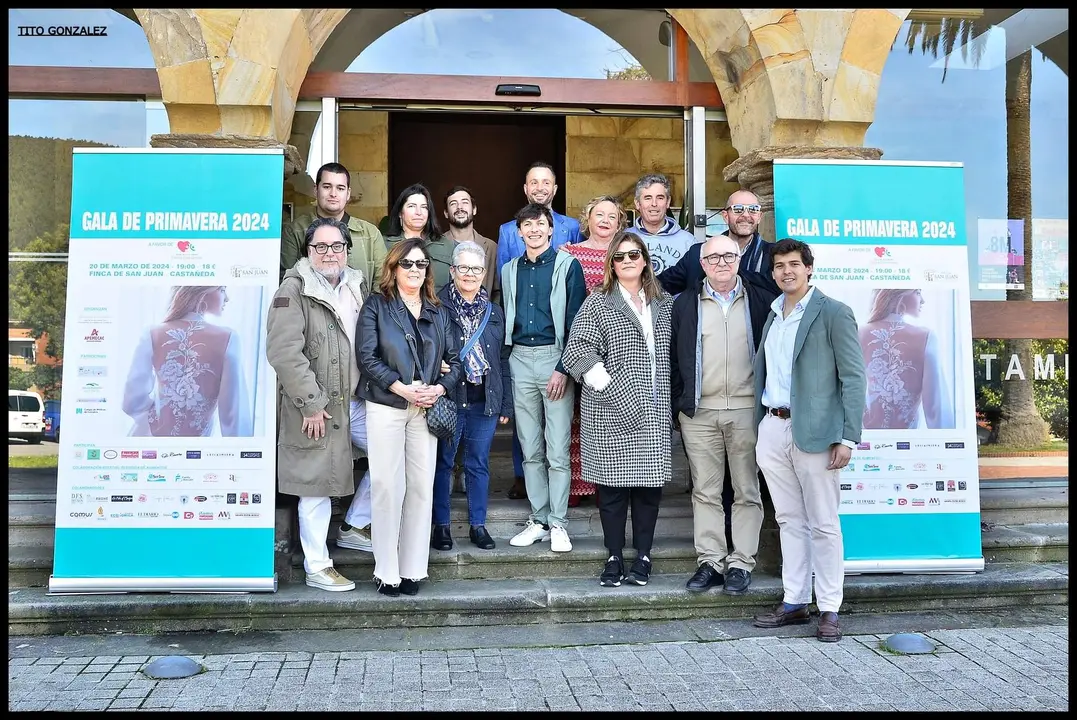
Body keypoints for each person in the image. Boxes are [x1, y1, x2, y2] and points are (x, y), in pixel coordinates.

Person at [751, 238, 866, 643]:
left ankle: (830, 607)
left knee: (824, 522)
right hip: (772, 427)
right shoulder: (772, 315)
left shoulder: (833, 312)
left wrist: (848, 436)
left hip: (817, 432)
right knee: (788, 520)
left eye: (794, 264)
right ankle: (795, 600)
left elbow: (853, 378)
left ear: (809, 268)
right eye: (779, 265)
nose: (786, 271)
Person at [561, 232, 673, 587]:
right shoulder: (598, 302)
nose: (627, 261)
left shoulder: (665, 302)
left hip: (654, 410)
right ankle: (613, 555)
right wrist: (612, 388)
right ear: (612, 263)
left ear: (645, 260)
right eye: (620, 256)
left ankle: (643, 556)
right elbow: (577, 349)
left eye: (633, 254)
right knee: (611, 491)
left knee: (648, 490)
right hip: (610, 409)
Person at [265, 217, 369, 592]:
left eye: (336, 246)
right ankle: (317, 566)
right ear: (308, 252)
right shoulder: (293, 290)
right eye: (320, 247)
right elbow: (283, 352)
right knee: (314, 485)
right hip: (317, 406)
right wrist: (310, 403)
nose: (329, 253)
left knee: (399, 454)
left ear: (346, 249)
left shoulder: (356, 285)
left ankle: (355, 525)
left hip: (357, 401)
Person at [671, 234, 777, 598]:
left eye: (728, 256)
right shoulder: (684, 303)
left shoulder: (762, 301)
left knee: (747, 489)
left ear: (739, 260)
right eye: (713, 257)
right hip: (700, 413)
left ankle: (741, 563)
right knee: (706, 491)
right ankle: (711, 560)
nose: (721, 263)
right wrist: (679, 406)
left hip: (748, 410)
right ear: (702, 264)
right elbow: (673, 360)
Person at [356, 238, 462, 596]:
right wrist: (401, 388)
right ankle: (386, 571)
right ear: (393, 268)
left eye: (421, 264)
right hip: (388, 402)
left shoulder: (438, 309)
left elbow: (456, 360)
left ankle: (413, 568)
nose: (414, 270)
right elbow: (366, 358)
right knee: (387, 486)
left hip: (427, 405)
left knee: (419, 487)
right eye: (407, 264)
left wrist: (441, 388)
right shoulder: (377, 306)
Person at [501, 203, 587, 553]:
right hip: (520, 358)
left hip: (555, 358)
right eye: (527, 225)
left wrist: (564, 368)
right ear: (518, 232)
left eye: (540, 224)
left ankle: (559, 523)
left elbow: (576, 319)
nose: (534, 230)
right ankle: (538, 519)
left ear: (551, 230)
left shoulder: (568, 265)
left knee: (557, 446)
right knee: (529, 446)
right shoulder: (508, 270)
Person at [431, 241, 513, 551]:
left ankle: (478, 526)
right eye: (463, 267)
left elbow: (502, 359)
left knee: (478, 464)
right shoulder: (436, 306)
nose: (469, 274)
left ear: (484, 273)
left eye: (476, 268)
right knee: (444, 463)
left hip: (484, 399)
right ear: (452, 271)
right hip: (450, 398)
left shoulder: (494, 312)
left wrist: (505, 402)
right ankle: (442, 526)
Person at [559, 195, 626, 508]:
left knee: (608, 418)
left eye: (611, 216)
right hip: (579, 346)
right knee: (575, 417)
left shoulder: (627, 254)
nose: (605, 221)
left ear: (619, 222)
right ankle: (575, 487)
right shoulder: (568, 253)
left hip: (617, 349)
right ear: (587, 219)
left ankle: (607, 484)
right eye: (599, 214)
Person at [123, 285, 252, 437]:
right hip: (196, 451)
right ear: (201, 292)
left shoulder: (152, 333)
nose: (227, 298)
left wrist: (161, 416)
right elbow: (233, 416)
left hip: (147, 441)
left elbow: (131, 401)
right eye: (222, 290)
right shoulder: (228, 338)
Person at [279, 161, 387, 285]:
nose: (333, 194)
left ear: (348, 194)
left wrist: (368, 305)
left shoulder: (370, 234)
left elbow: (382, 281)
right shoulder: (295, 230)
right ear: (316, 190)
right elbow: (286, 279)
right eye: (327, 187)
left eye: (340, 188)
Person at [860, 289, 954, 430]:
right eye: (917, 292)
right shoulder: (925, 336)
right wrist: (947, 445)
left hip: (865, 440)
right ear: (899, 294)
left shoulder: (859, 332)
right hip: (908, 441)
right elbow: (936, 405)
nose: (922, 300)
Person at [658, 189, 778, 297]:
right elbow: (660, 287)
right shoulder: (698, 253)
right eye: (738, 209)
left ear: (759, 217)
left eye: (753, 210)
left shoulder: (773, 256)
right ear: (725, 216)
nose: (746, 215)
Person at [630, 172, 699, 275]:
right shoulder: (624, 238)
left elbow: (694, 282)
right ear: (637, 203)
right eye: (648, 198)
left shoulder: (688, 242)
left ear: (668, 202)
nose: (654, 204)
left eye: (660, 198)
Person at [438, 186, 500, 301]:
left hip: (482, 316)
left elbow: (497, 292)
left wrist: (492, 317)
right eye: (453, 204)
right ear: (446, 213)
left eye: (465, 202)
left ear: (474, 209)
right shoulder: (434, 247)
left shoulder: (492, 248)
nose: (459, 207)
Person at [384, 183, 444, 253]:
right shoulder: (384, 244)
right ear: (400, 213)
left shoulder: (445, 244)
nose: (418, 212)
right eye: (411, 206)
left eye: (424, 207)